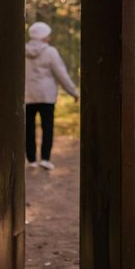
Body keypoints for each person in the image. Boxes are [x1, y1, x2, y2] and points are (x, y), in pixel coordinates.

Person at [25, 21, 78, 170]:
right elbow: (61, 74)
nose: (49, 38)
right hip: (47, 96)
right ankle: (45, 159)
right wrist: (72, 91)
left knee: (29, 127)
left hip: (28, 96)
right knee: (47, 126)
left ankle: (31, 160)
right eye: (48, 35)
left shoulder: (23, 51)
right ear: (43, 36)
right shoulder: (50, 52)